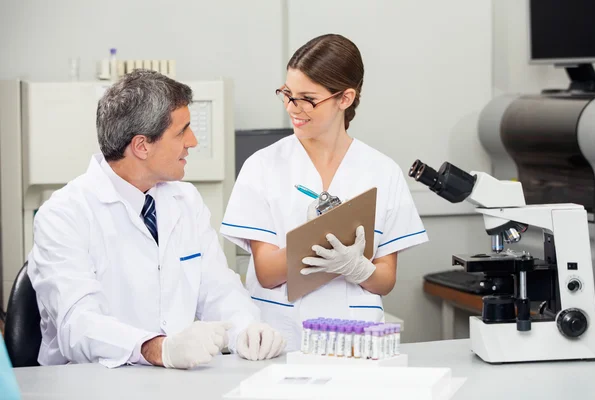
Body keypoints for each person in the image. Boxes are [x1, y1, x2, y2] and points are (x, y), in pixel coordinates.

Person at [27, 70, 285, 369]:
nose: (193, 141)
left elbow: (218, 288)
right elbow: (78, 324)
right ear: (141, 146)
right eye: (182, 132)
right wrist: (156, 348)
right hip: (94, 382)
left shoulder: (185, 201)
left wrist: (247, 329)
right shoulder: (63, 215)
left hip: (175, 379)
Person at [220, 34, 429, 351]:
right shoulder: (261, 167)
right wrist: (312, 239)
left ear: (344, 99)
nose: (293, 108)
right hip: (280, 341)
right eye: (287, 94)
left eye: (307, 98)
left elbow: (385, 279)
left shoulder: (382, 172)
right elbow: (266, 273)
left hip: (355, 341)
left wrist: (356, 266)